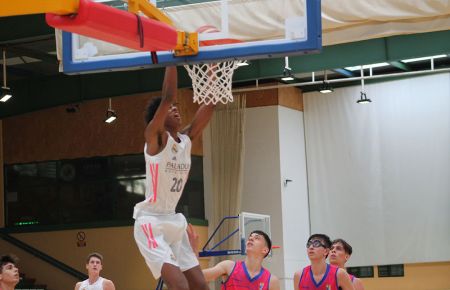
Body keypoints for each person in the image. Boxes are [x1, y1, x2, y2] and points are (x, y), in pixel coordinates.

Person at [133, 66, 214, 290]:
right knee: (179, 285)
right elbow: (168, 97)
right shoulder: (155, 139)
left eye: (178, 108)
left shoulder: (186, 140)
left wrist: (213, 73)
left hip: (173, 219)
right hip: (150, 221)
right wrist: (171, 59)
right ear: (158, 117)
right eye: (171, 109)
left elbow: (210, 104)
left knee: (200, 285)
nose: (176, 110)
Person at [187, 225, 280, 290]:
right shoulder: (229, 266)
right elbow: (197, 277)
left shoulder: (272, 281)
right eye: (250, 237)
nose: (251, 238)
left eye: (257, 238)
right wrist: (193, 253)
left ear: (265, 250)